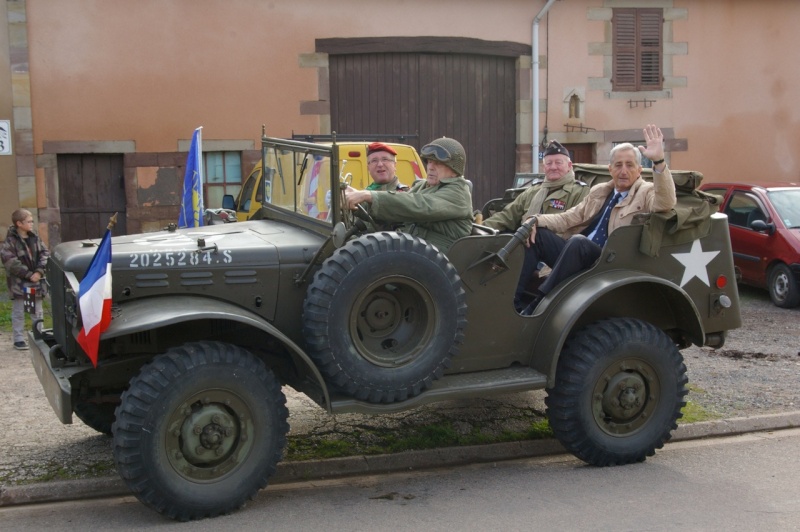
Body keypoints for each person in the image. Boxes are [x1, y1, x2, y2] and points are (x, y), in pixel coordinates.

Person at [520, 124, 677, 315]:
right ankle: (515, 299)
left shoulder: (645, 192)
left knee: (578, 242)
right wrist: (535, 220)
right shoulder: (601, 191)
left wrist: (659, 161)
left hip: (608, 262)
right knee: (539, 235)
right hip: (581, 256)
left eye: (630, 165)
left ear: (639, 169)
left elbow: (665, 203)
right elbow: (570, 217)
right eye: (618, 165)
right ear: (610, 169)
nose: (624, 171)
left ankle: (538, 304)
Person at [483, 140, 589, 310]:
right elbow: (507, 216)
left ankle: (510, 304)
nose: (553, 167)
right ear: (543, 167)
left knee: (534, 235)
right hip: (528, 248)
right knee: (504, 238)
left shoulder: (580, 191)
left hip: (562, 251)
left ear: (569, 165)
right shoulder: (534, 190)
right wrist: (480, 229)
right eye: (549, 163)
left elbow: (577, 223)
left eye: (558, 162)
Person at [345, 137, 473, 254]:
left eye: (438, 163)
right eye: (429, 162)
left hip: (434, 267)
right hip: (412, 255)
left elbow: (419, 205)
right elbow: (397, 213)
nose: (431, 167)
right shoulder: (423, 186)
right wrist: (355, 204)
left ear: (454, 170)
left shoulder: (458, 192)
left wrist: (370, 195)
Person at [1, 209, 50, 350]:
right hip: (20, 283)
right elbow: (10, 261)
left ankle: (38, 335)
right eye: (29, 221)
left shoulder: (35, 238)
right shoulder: (10, 241)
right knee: (19, 312)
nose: (32, 224)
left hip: (36, 282)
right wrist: (29, 275)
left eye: (32, 221)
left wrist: (39, 271)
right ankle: (18, 339)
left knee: (36, 311)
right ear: (19, 223)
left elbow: (45, 253)